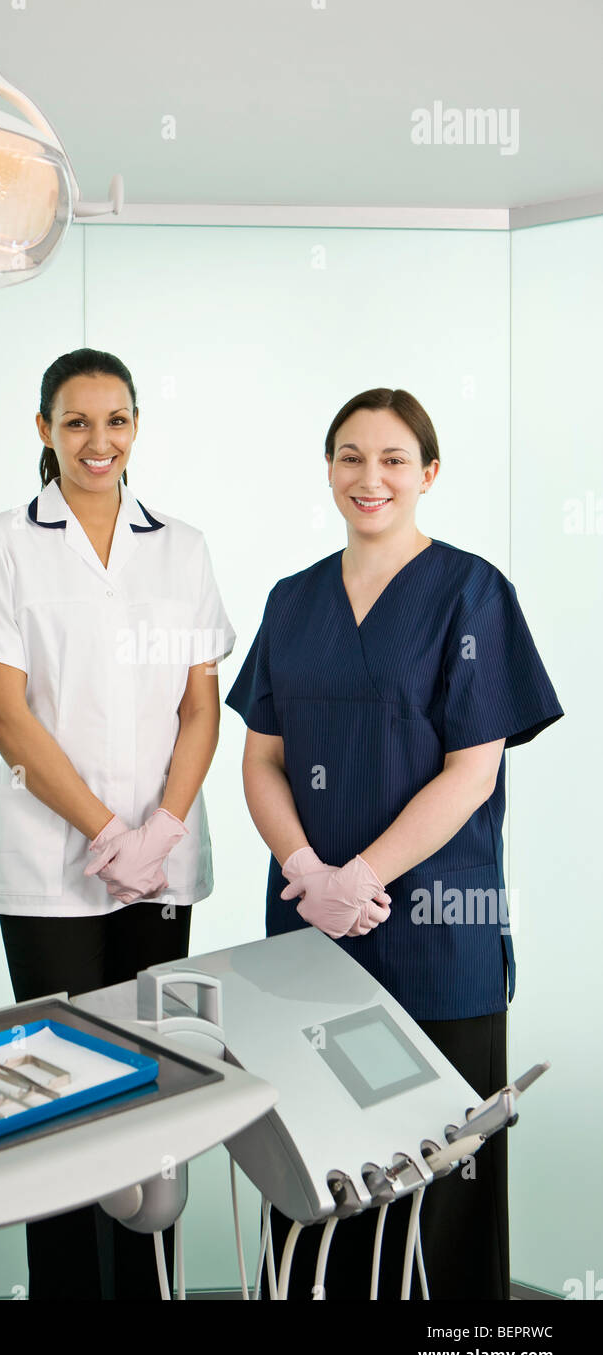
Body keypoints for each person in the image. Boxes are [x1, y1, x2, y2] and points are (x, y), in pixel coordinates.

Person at [225, 387, 563, 1300]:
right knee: (316, 1159)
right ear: (328, 468)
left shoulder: (471, 592)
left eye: (392, 460)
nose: (368, 478)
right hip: (310, 930)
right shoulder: (292, 602)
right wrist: (307, 872)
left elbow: (472, 771)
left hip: (437, 927)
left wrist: (363, 876)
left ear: (428, 475)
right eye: (349, 457)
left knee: (447, 1165)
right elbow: (260, 760)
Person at [0, 348, 235, 1299]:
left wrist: (158, 830)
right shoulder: (5, 542)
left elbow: (203, 708)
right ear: (44, 431)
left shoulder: (182, 547)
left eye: (116, 420)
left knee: (148, 1096)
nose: (98, 441)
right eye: (76, 422)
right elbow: (6, 713)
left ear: (137, 428)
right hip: (49, 866)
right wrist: (103, 833)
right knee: (56, 1099)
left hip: (160, 866)